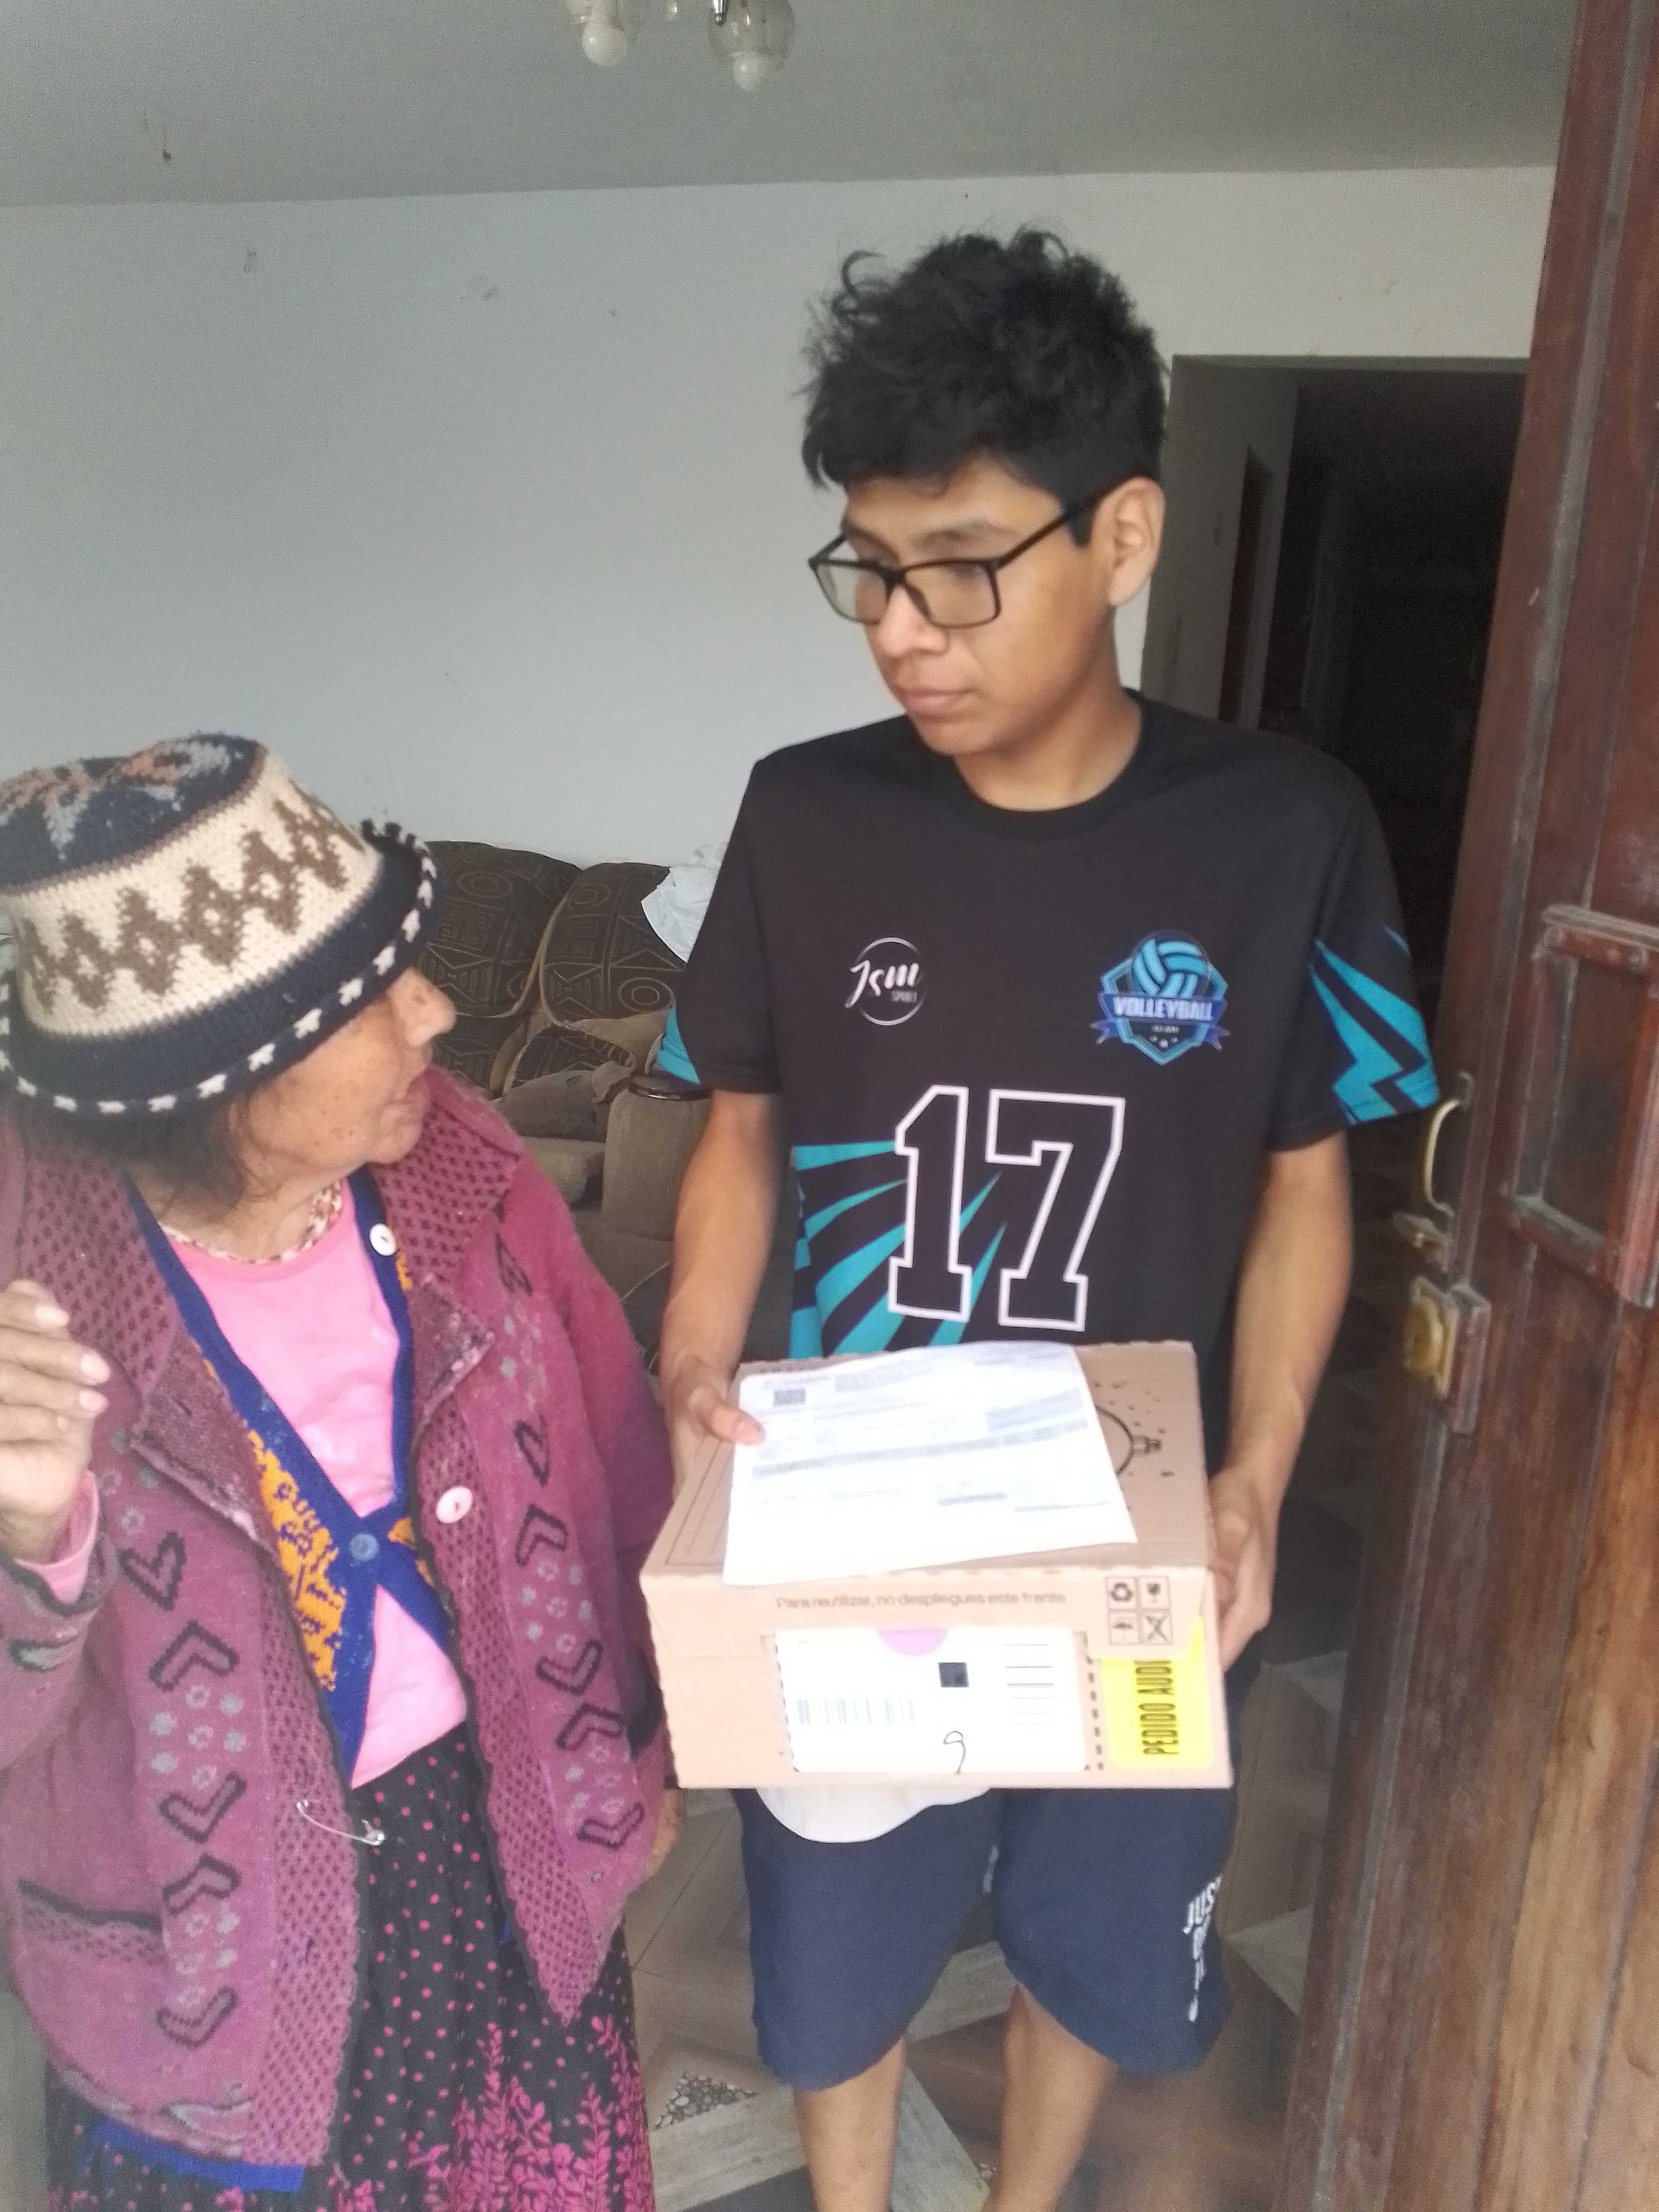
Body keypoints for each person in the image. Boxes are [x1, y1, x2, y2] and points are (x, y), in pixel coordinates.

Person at [657, 231, 1437, 2212]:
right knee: (833, 1947)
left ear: (1126, 535)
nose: (903, 631)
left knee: (1095, 1936)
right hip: (854, 1524)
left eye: (962, 567)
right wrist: (693, 1359)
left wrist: (1258, 1477)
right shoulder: (806, 815)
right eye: (869, 570)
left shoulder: (1287, 831)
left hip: (1140, 1529)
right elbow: (742, 1126)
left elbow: (1306, 1180)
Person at [0, 737, 678, 2211]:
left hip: (511, 1853)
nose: (435, 1010)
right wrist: (30, 1535)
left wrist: (646, 1748)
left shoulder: (462, 1168)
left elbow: (615, 1458)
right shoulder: (25, 1307)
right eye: (369, 998)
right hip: (207, 1966)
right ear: (217, 1086)